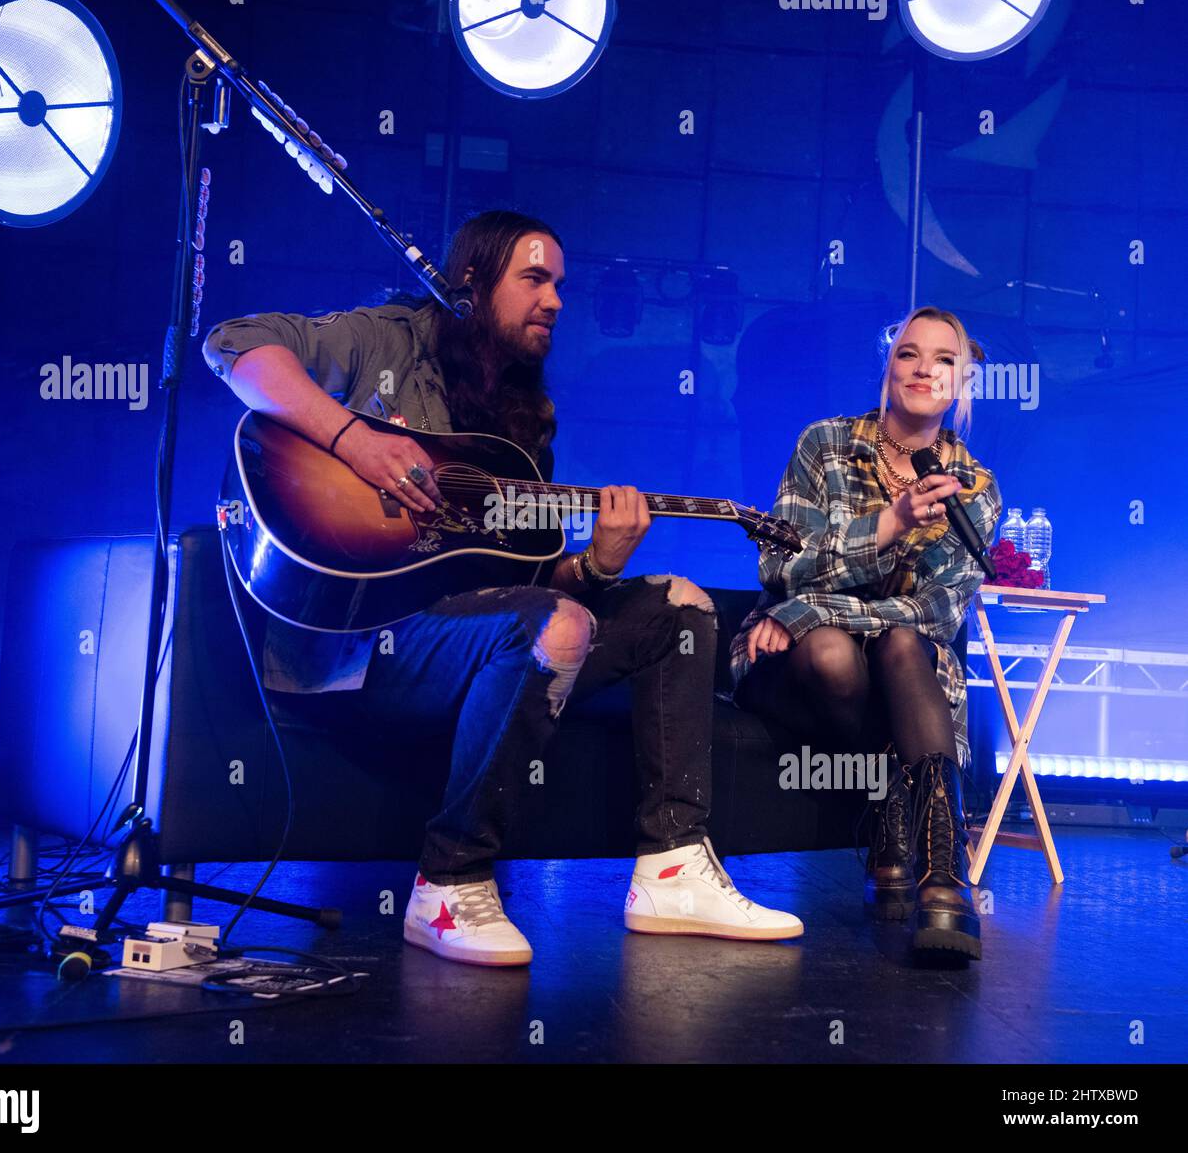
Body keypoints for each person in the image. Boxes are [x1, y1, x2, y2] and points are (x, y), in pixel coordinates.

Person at [203, 210, 803, 968]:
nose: (554, 300)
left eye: (560, 285)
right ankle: (450, 884)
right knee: (552, 627)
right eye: (534, 280)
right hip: (366, 644)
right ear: (471, 282)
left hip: (479, 635)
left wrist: (598, 567)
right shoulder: (386, 337)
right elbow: (232, 346)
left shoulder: (524, 421)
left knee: (678, 607)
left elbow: (519, 579)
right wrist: (355, 440)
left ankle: (674, 869)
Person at [729, 306, 1001, 959]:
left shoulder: (978, 492)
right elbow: (780, 562)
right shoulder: (824, 444)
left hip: (897, 668)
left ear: (961, 386)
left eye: (944, 360)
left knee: (907, 644)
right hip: (797, 664)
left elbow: (936, 615)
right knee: (831, 653)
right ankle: (907, 845)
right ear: (889, 366)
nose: (924, 369)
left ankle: (941, 874)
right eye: (909, 353)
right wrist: (888, 525)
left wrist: (809, 609)